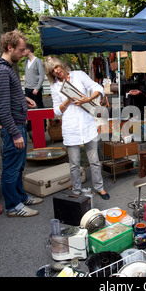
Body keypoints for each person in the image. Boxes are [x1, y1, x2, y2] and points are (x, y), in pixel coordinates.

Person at [0, 29, 42, 217]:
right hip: (13, 128)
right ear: (9, 48)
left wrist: (22, 100)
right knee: (11, 168)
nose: (24, 52)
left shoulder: (6, 68)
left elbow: (7, 97)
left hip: (17, 124)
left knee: (18, 166)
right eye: (21, 49)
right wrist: (15, 133)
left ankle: (20, 197)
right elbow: (2, 109)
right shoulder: (2, 71)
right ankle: (13, 206)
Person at [43, 56, 110, 200]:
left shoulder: (79, 75)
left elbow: (97, 87)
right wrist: (68, 98)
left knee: (94, 160)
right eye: (52, 70)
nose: (56, 71)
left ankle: (99, 187)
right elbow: (57, 111)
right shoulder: (55, 87)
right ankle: (77, 190)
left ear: (61, 65)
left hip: (87, 124)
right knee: (74, 163)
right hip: (71, 127)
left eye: (56, 67)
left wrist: (89, 99)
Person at [23, 43, 46, 132]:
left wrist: (37, 87)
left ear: (28, 50)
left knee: (39, 106)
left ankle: (43, 127)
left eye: (24, 49)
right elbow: (26, 73)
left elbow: (41, 75)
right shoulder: (26, 61)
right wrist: (25, 83)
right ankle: (31, 127)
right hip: (27, 87)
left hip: (35, 88)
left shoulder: (37, 61)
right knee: (29, 108)